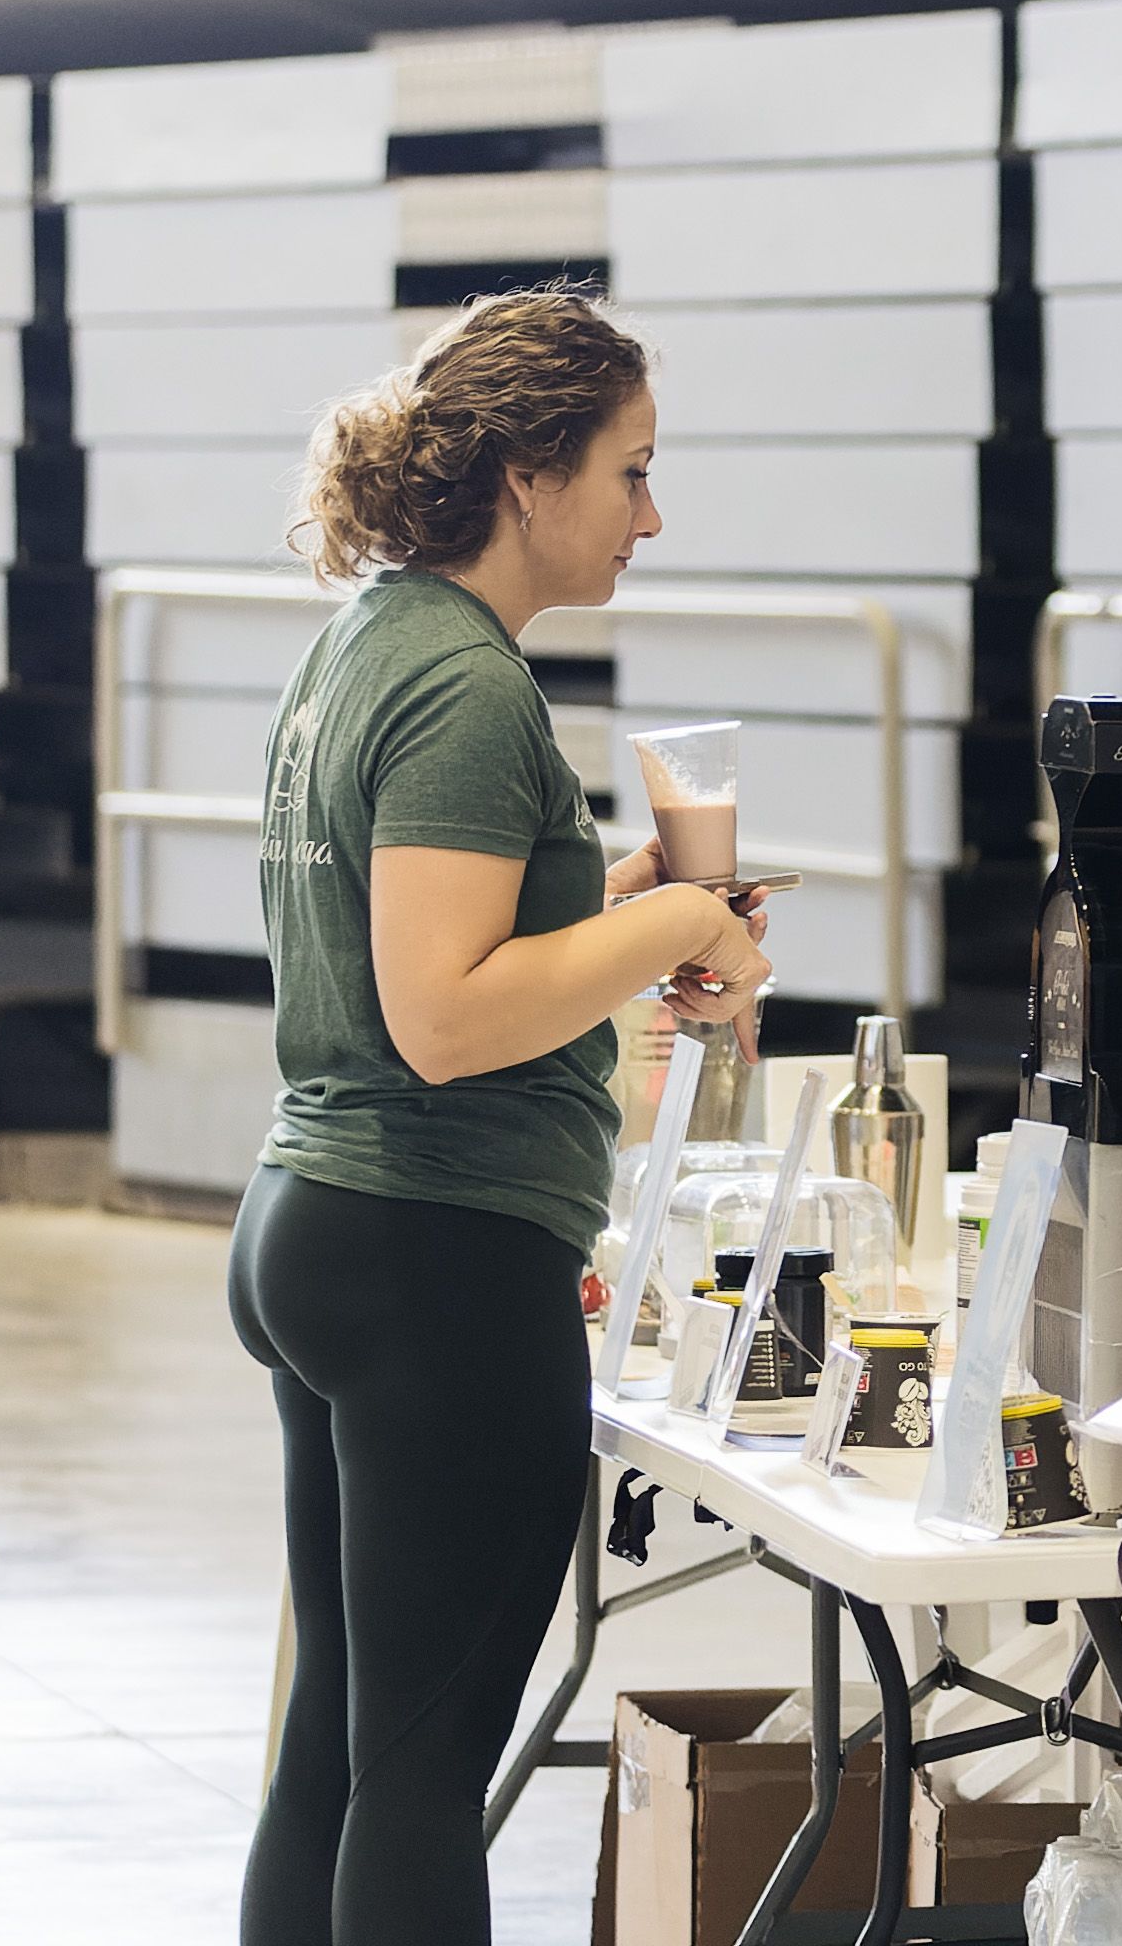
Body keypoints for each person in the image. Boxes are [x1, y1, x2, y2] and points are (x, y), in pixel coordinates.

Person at [227, 290, 776, 1946]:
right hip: (433, 1252)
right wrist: (680, 928)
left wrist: (611, 903)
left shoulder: (370, 642)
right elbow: (446, 1016)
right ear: (531, 476)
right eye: (631, 471)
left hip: (324, 1223)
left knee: (341, 1746)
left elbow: (450, 939)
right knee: (419, 1767)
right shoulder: (469, 689)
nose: (651, 515)